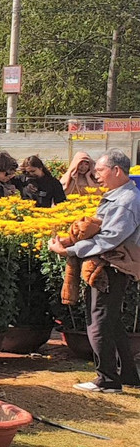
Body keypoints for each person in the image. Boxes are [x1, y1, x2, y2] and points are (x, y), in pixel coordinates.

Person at [49, 149, 140, 393]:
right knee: (110, 321)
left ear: (117, 171)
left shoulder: (125, 201)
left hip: (111, 267)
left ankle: (107, 379)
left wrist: (69, 250)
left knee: (98, 321)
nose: (95, 175)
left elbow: (109, 238)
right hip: (110, 266)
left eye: (99, 170)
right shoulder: (119, 196)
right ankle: (127, 374)